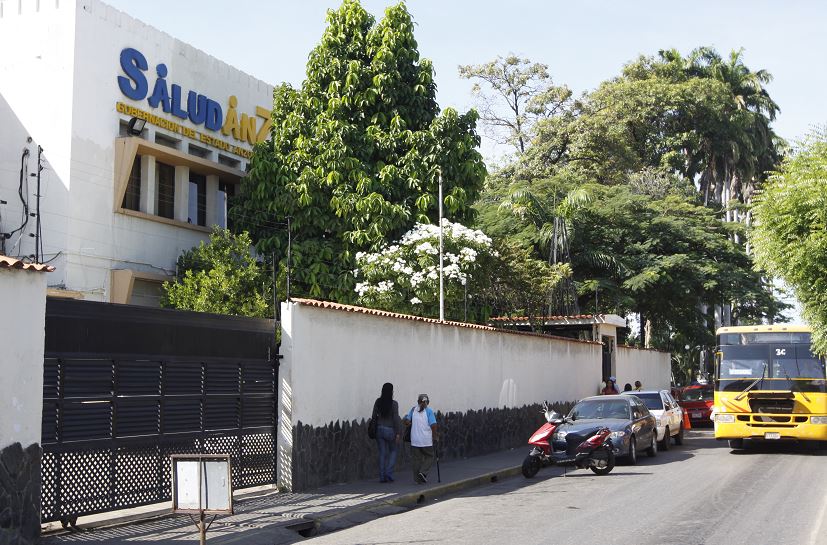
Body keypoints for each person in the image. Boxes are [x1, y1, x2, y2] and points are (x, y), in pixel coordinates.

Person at [403, 393, 438, 484]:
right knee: (430, 456)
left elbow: (407, 421)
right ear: (428, 402)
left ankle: (417, 479)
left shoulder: (413, 410)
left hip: (415, 439)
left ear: (418, 401)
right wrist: (435, 436)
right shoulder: (429, 411)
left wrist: (408, 422)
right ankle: (423, 472)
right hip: (426, 440)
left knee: (416, 459)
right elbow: (433, 425)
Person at [372, 382, 401, 483]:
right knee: (393, 451)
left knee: (382, 453)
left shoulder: (378, 402)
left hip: (379, 429)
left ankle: (382, 476)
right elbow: (396, 419)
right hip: (390, 430)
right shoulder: (394, 404)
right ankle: (389, 473)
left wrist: (374, 429)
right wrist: (397, 433)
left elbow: (374, 416)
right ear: (392, 391)